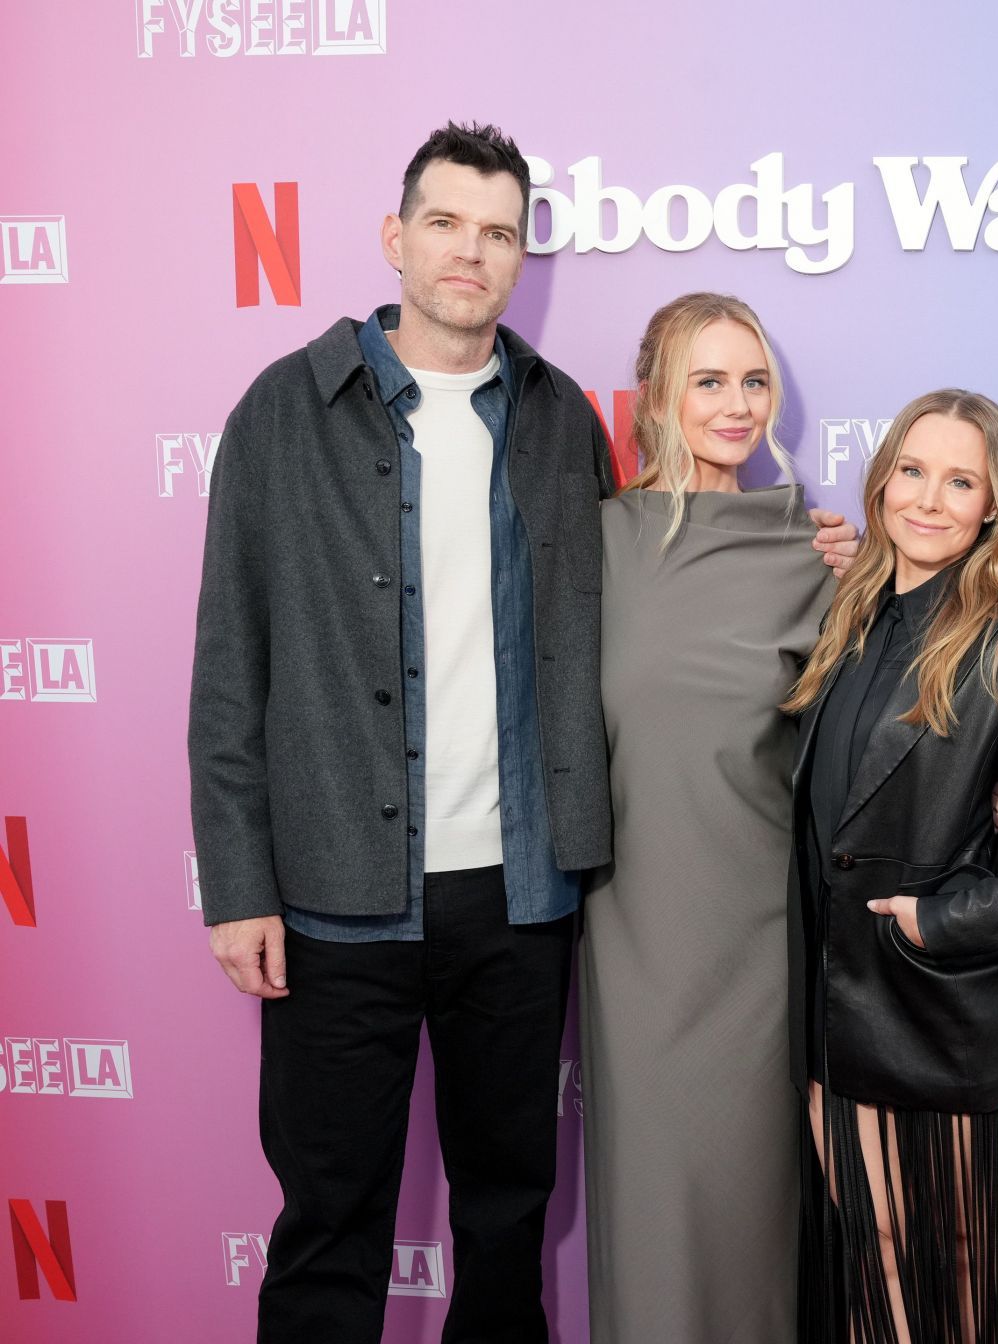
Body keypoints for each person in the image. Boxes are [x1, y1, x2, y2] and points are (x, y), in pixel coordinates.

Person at [189, 125, 855, 1342]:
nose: (471, 252)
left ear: (520, 258)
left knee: (507, 1221)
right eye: (445, 224)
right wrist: (238, 885)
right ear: (396, 239)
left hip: (520, 894)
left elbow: (663, 596)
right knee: (332, 1221)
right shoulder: (287, 410)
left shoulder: (555, 421)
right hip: (339, 899)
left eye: (498, 232)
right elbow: (231, 665)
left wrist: (813, 555)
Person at [783, 389, 998, 1343]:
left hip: (950, 1010)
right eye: (914, 470)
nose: (930, 499)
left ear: (994, 508)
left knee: (967, 1265)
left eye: (961, 480)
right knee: (872, 1251)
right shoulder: (847, 618)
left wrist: (951, 917)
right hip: (834, 1009)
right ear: (884, 477)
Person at [580, 291, 833, 1343]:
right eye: (710, 380)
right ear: (657, 398)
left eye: (755, 381)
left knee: (755, 1225)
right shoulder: (593, 545)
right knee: (650, 1225)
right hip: (632, 940)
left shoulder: (813, 552)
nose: (737, 405)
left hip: (764, 950)